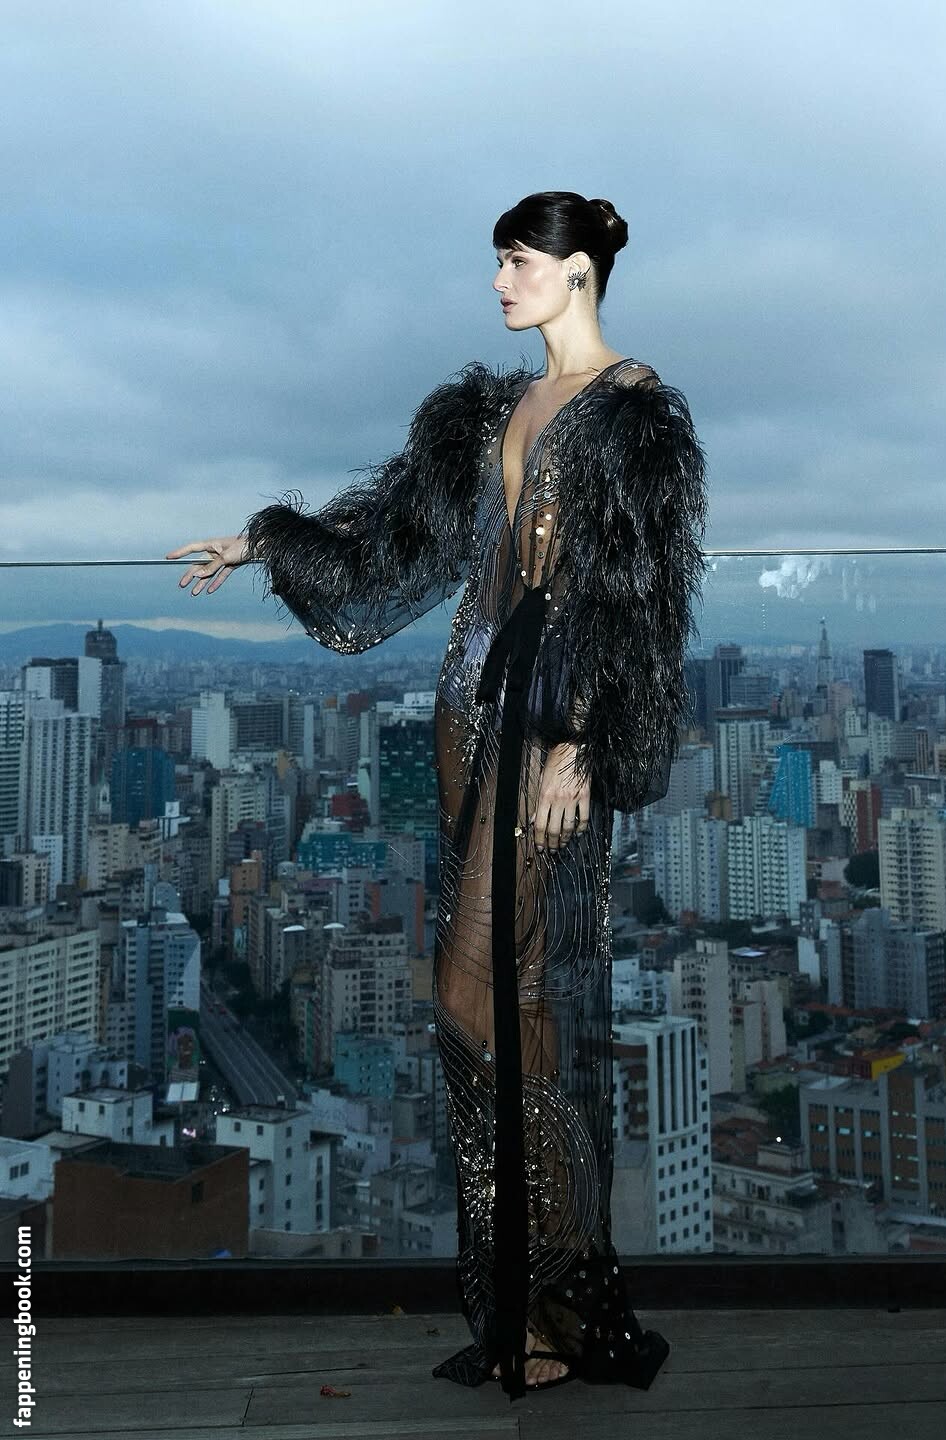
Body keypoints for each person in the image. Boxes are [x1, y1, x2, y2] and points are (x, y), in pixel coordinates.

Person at [167, 190, 709, 1402]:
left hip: (549, 726)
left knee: (485, 997)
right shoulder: (491, 410)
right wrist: (260, 542)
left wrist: (587, 745)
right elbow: (389, 542)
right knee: (505, 1000)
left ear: (578, 271)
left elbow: (647, 604)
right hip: (466, 715)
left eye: (517, 261)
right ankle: (536, 1310)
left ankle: (559, 1293)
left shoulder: (637, 416)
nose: (500, 282)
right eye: (498, 262)